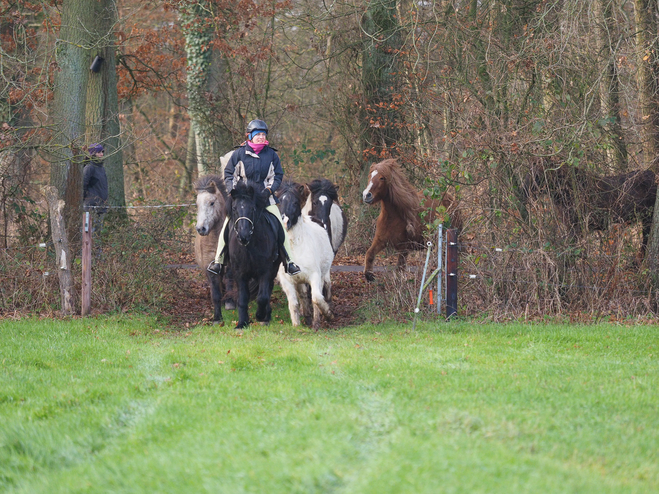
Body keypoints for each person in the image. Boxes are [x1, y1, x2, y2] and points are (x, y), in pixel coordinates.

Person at [207, 119, 301, 276]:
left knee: (279, 224)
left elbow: (277, 176)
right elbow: (229, 173)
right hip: (243, 199)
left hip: (265, 199)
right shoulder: (239, 154)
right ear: (249, 136)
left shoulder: (271, 155)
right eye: (258, 134)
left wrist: (269, 190)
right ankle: (219, 261)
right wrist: (233, 190)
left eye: (263, 134)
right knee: (227, 224)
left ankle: (289, 261)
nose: (261, 137)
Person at [83, 143, 109, 231]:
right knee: (89, 231)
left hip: (101, 204)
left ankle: (98, 245)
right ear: (93, 153)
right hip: (91, 205)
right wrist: (86, 200)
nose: (101, 154)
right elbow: (83, 184)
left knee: (98, 230)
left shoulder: (101, 168)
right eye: (99, 152)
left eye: (102, 151)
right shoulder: (89, 167)